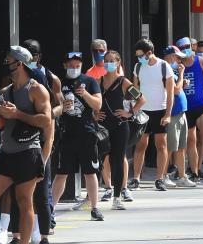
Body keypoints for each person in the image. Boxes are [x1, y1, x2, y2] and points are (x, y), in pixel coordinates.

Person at [0, 47, 52, 244]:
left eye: (9, 60)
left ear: (20, 63)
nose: (6, 64)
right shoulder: (4, 92)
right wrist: (0, 112)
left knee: (25, 201)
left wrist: (17, 115)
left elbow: (46, 120)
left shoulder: (37, 90)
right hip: (6, 152)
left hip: (28, 153)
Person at [52, 52, 105, 222]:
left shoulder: (89, 81)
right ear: (65, 65)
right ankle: (50, 209)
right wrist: (62, 108)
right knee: (61, 173)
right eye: (71, 65)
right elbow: (53, 105)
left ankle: (95, 207)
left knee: (90, 172)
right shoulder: (59, 83)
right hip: (67, 134)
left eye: (77, 65)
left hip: (87, 133)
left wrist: (85, 95)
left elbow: (98, 105)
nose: (74, 68)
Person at [20, 39, 63, 244]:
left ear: (38, 57)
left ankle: (43, 230)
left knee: (42, 185)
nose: (28, 58)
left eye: (32, 55)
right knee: (19, 187)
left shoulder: (50, 78)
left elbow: (61, 106)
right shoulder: (13, 78)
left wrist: (47, 116)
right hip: (19, 135)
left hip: (43, 135)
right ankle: (14, 231)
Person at [95, 51, 145, 209]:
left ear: (118, 63)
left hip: (120, 125)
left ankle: (117, 197)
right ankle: (99, 193)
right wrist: (95, 114)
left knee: (118, 160)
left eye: (112, 61)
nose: (109, 63)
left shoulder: (123, 82)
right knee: (100, 159)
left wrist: (129, 113)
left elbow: (141, 99)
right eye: (107, 60)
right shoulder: (99, 81)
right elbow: (92, 101)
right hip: (102, 127)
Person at [129, 39, 174, 191]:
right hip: (143, 110)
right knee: (140, 144)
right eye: (137, 56)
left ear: (149, 53)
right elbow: (135, 88)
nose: (139, 58)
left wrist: (168, 114)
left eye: (141, 55)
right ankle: (136, 178)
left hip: (160, 109)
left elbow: (171, 93)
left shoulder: (164, 66)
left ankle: (160, 178)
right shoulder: (138, 66)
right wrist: (134, 108)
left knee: (161, 144)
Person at [176, 37, 203, 184]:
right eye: (183, 47)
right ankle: (193, 171)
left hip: (201, 105)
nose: (187, 49)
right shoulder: (178, 65)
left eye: (189, 46)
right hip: (186, 108)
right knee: (190, 140)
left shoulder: (201, 62)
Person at [161, 46, 197, 188]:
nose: (179, 60)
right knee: (170, 147)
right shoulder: (165, 70)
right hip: (173, 113)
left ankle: (182, 176)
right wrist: (182, 75)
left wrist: (182, 80)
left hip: (181, 112)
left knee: (181, 146)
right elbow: (176, 90)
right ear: (170, 57)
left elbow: (178, 87)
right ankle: (163, 176)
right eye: (177, 57)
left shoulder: (172, 71)